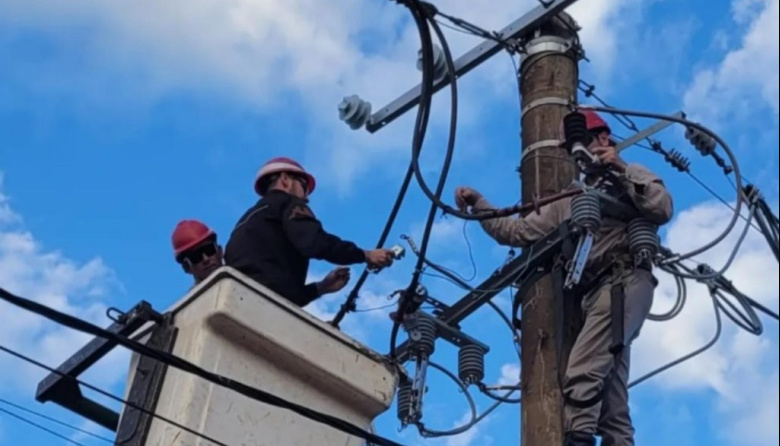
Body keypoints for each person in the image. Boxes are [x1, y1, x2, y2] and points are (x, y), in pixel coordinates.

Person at [455, 110, 673, 446]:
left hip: (624, 280)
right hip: (595, 294)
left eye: (582, 142)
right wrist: (480, 203)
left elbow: (661, 207)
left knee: (583, 371)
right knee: (612, 400)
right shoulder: (569, 198)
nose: (576, 153)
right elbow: (518, 230)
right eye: (570, 147)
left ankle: (577, 439)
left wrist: (619, 167)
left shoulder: (631, 174)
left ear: (602, 139)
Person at [224, 156, 395, 307]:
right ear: (285, 179)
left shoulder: (247, 221)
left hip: (238, 303)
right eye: (304, 186)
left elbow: (277, 290)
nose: (306, 197)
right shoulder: (289, 204)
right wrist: (366, 255)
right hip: (267, 307)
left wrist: (322, 287)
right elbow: (315, 243)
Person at [172, 219, 224, 285]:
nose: (206, 259)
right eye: (196, 256)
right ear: (187, 267)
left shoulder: (239, 271)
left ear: (220, 251)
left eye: (209, 250)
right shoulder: (195, 295)